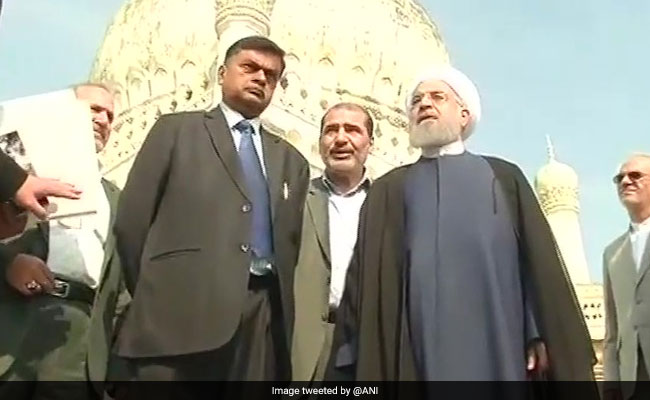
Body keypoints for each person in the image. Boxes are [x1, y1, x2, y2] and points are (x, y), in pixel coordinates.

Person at [328, 66, 597, 397]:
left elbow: (535, 264)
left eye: (437, 97)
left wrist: (536, 330)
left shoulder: (502, 177)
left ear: (464, 115)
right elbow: (364, 283)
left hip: (498, 340)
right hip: (414, 350)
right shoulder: (388, 191)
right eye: (416, 100)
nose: (424, 104)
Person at [111, 36, 309, 388]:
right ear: (221, 73)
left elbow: (290, 248)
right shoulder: (176, 131)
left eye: (271, 75)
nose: (260, 78)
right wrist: (160, 294)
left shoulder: (292, 161)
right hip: (177, 316)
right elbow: (131, 224)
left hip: (258, 321)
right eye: (249, 68)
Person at [0, 83, 125, 400]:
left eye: (110, 115)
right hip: (13, 320)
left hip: (79, 333)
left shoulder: (116, 198)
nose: (102, 120)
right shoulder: (13, 173)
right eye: (93, 109)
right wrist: (7, 264)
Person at [292, 103, 372, 384]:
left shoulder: (387, 206)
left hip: (360, 346)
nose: (340, 139)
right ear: (320, 142)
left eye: (352, 130)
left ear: (370, 144)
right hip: (299, 344)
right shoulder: (296, 197)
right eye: (331, 130)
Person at [603, 154, 650, 400]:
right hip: (632, 381)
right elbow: (612, 329)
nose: (625, 181)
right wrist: (611, 384)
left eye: (635, 175)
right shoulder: (612, 253)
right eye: (619, 178)